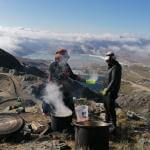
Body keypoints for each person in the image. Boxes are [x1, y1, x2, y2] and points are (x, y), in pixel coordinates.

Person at [43, 48, 97, 115]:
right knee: (56, 109)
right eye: (65, 57)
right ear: (60, 58)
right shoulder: (53, 65)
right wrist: (62, 75)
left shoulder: (66, 65)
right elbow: (54, 78)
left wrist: (86, 81)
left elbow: (72, 76)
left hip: (66, 90)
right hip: (56, 90)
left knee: (70, 108)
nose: (67, 59)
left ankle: (69, 117)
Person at [100, 52, 122, 127]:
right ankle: (107, 122)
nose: (107, 62)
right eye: (106, 60)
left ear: (112, 59)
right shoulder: (111, 66)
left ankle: (113, 126)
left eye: (108, 60)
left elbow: (113, 81)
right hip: (106, 92)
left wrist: (106, 90)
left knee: (110, 109)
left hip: (111, 92)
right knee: (106, 108)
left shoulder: (116, 67)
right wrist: (104, 90)